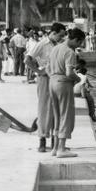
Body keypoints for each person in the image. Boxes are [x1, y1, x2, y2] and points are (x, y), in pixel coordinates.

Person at [26, 22, 66, 152]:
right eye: (60, 35)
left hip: (57, 78)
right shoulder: (42, 44)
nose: (61, 38)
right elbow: (27, 59)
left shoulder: (60, 44)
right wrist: (38, 71)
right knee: (44, 109)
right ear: (53, 33)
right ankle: (42, 140)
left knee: (58, 109)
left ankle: (56, 141)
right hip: (45, 78)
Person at [47, 28, 86, 158]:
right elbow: (69, 73)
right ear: (75, 40)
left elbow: (47, 69)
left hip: (52, 82)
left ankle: (54, 148)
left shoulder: (55, 48)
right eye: (79, 43)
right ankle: (62, 149)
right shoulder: (69, 52)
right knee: (66, 116)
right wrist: (78, 79)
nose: (79, 46)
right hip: (63, 84)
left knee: (57, 116)